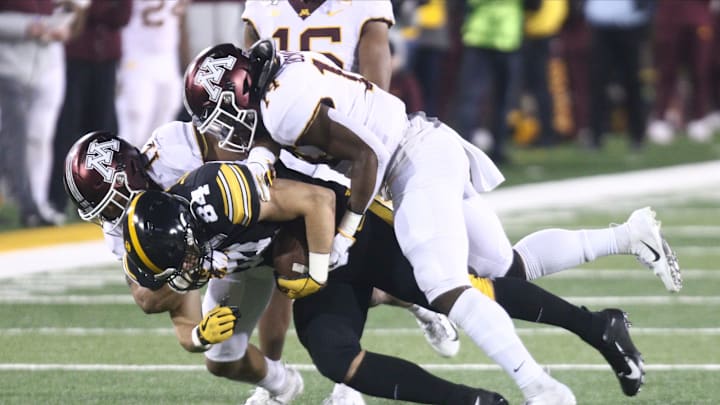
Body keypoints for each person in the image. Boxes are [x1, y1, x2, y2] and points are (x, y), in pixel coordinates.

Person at [182, 41, 683, 404]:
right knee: (501, 268)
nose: (222, 126)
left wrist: (346, 232)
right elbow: (298, 139)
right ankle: (618, 264)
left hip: (407, 161)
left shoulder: (283, 106)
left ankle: (541, 388)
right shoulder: (283, 78)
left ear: (240, 90)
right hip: (416, 144)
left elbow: (364, 157)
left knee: (443, 284)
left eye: (220, 109)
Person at [121, 157, 645, 403]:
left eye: (180, 264)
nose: (183, 276)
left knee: (458, 290)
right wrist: (198, 338)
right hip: (318, 269)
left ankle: (596, 326)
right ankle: (477, 403)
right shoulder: (178, 243)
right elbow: (174, 311)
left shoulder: (219, 195)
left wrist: (318, 264)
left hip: (353, 225)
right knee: (333, 356)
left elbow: (317, 200)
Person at [242, 3, 458, 402]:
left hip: (345, 145)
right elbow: (247, 84)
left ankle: (350, 380)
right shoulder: (263, 6)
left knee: (350, 266)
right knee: (282, 263)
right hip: (285, 143)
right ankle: (273, 382)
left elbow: (376, 87)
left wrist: (352, 147)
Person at [0, 0, 86, 227]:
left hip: (49, 63)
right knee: (13, 140)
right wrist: (25, 27)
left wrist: (66, 27)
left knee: (40, 137)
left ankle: (36, 203)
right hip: (8, 65)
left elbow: (77, 13)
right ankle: (22, 203)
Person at [48, 0, 132, 216]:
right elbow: (71, 16)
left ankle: (104, 197)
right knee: (66, 133)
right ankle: (57, 199)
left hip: (106, 59)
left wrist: (91, 7)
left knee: (105, 135)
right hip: (73, 58)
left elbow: (122, 15)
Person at [115, 0, 186, 148]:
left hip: (167, 56)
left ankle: (153, 168)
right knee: (136, 117)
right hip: (137, 54)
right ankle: (124, 165)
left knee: (166, 118)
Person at [584, 0, 653, 150]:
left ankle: (637, 135)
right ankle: (596, 135)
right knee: (598, 82)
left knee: (632, 83)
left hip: (630, 23)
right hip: (601, 22)